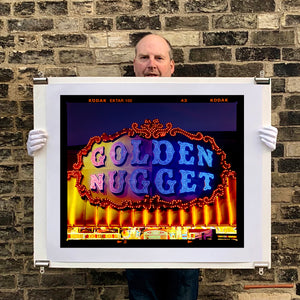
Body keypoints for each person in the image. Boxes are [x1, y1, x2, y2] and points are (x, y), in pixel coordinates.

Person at [27, 34, 278, 300]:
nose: (151, 64)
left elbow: (232, 159)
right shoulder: (112, 110)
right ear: (133, 64)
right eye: (144, 57)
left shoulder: (196, 107)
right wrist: (45, 152)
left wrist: (257, 147)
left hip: (187, 243)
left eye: (159, 58)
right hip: (133, 238)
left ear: (171, 65)